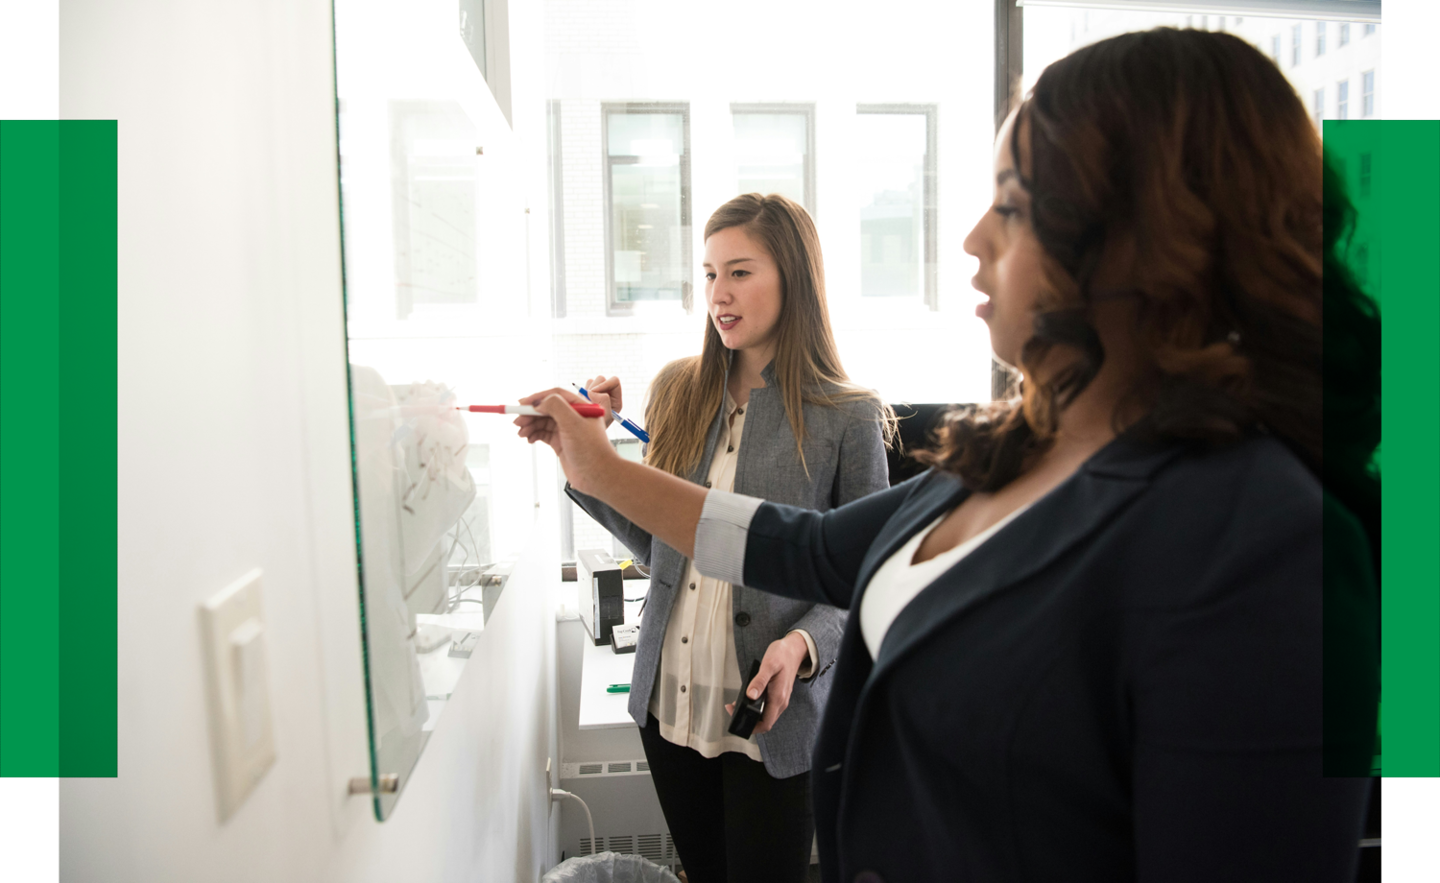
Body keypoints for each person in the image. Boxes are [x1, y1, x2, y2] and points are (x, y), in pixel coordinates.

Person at [517, 29, 1378, 883]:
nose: (972, 238)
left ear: (1143, 233)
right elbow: (803, 547)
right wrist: (596, 468)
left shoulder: (1264, 542)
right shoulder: (1004, 454)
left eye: (1010, 203)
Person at [531, 194, 893, 883]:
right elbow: (658, 544)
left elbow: (864, 582)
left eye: (739, 272)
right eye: (707, 275)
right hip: (672, 701)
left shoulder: (849, 416)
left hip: (772, 716)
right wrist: (587, 457)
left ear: (793, 277)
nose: (717, 295)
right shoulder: (678, 389)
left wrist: (803, 645)